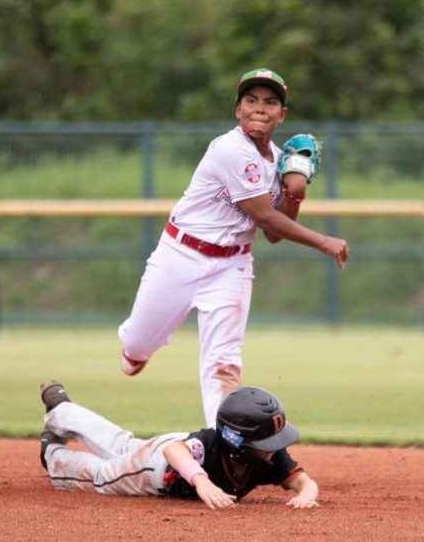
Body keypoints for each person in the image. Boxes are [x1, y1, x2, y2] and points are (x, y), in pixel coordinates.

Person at [116, 67, 349, 427]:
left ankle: (222, 443)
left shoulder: (276, 160)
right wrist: (324, 241)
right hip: (180, 255)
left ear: (281, 115)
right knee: (137, 341)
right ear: (237, 110)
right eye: (251, 100)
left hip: (231, 267)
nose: (260, 108)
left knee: (223, 362)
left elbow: (272, 233)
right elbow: (267, 220)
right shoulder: (229, 149)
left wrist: (293, 191)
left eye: (270, 102)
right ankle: (137, 349)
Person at [38, 381, 320, 509]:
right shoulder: (211, 445)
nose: (275, 447)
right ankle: (52, 454)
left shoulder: (267, 457)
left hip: (176, 445)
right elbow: (173, 450)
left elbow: (303, 481)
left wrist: (307, 492)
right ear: (237, 442)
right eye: (266, 441)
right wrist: (203, 482)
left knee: (123, 445)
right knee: (103, 477)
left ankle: (61, 410)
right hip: (155, 469)